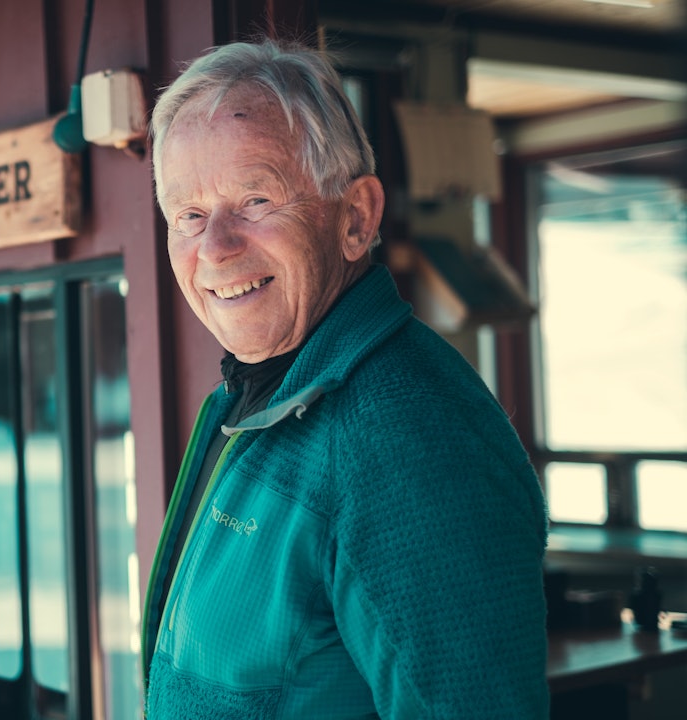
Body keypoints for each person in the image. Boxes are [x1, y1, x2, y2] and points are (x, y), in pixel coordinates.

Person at [140, 39, 549, 719]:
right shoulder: (247, 401)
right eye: (188, 215)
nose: (214, 247)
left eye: (255, 199)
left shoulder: (408, 437)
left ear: (355, 218)